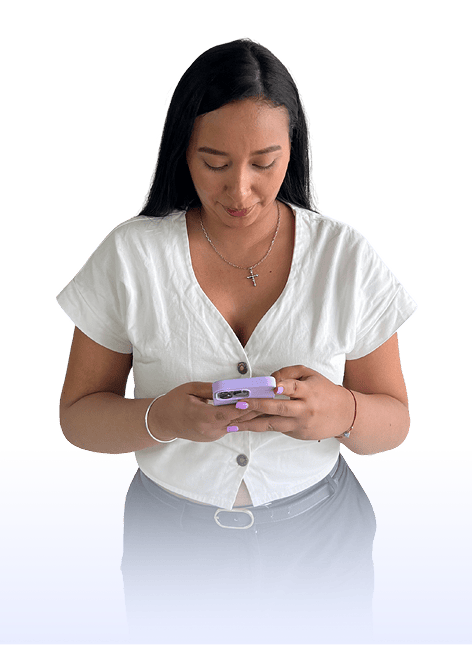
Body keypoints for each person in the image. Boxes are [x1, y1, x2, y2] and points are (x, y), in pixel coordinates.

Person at [56, 37, 417, 643]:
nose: (240, 191)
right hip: (171, 547)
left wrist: (341, 412)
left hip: (323, 542)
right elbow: (78, 417)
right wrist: (158, 419)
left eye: (264, 163)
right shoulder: (130, 254)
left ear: (293, 150)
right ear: (183, 152)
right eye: (215, 163)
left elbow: (395, 422)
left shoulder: (345, 255)